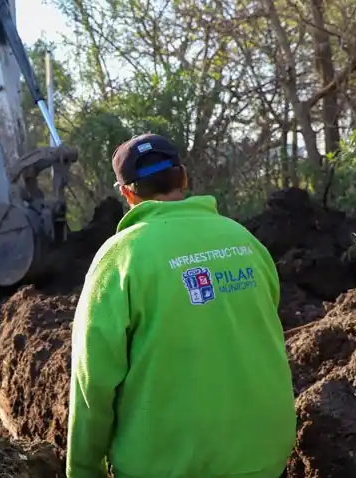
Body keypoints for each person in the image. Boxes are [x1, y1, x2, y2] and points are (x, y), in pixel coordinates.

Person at [65, 133, 296, 478]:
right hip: (264, 457)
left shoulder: (121, 258)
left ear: (127, 194)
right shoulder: (245, 242)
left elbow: (92, 380)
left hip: (166, 465)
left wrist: (84, 468)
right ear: (184, 177)